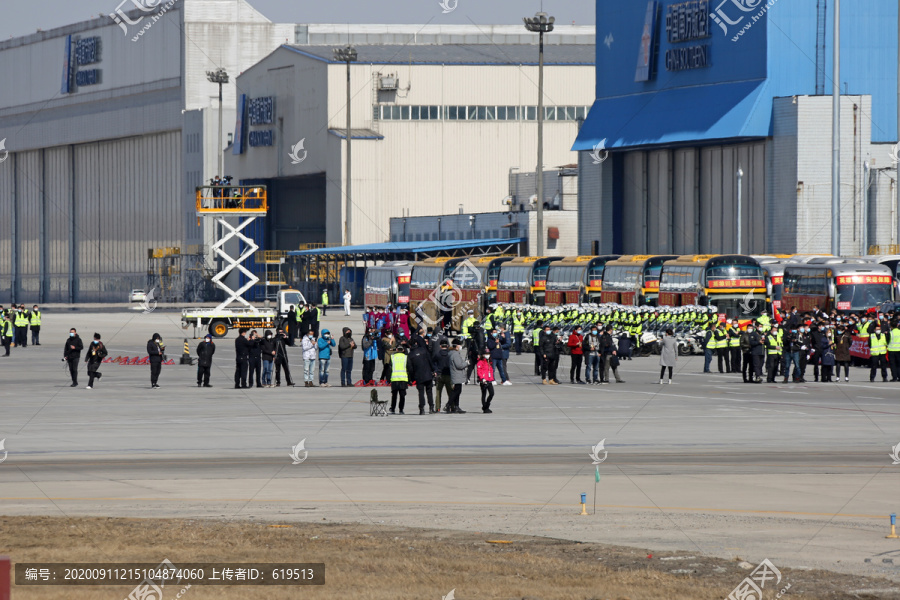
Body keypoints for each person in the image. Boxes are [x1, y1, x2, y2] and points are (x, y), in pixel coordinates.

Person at [408, 339, 436, 414]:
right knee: (429, 391)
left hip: (418, 376)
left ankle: (422, 408)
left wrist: (412, 378)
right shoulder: (423, 350)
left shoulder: (410, 355)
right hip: (427, 374)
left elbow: (410, 368)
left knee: (421, 392)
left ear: (410, 346)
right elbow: (430, 361)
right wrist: (433, 370)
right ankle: (431, 407)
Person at [447, 338, 468, 414]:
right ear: (457, 346)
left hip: (456, 374)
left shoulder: (452, 353)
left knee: (457, 391)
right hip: (457, 374)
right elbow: (459, 365)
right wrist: (466, 363)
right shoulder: (455, 354)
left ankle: (456, 406)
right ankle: (449, 404)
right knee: (457, 391)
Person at [389, 346, 410, 414]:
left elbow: (389, 368)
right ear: (403, 350)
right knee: (402, 395)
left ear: (397, 350)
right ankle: (401, 409)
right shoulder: (405, 357)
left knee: (394, 395)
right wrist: (409, 379)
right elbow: (409, 368)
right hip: (403, 378)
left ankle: (393, 408)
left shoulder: (392, 357)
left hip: (394, 378)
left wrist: (389, 378)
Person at [434, 340, 453, 412]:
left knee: (438, 393)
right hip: (448, 375)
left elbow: (434, 363)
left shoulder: (437, 354)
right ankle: (452, 406)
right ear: (447, 346)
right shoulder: (450, 354)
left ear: (440, 346)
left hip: (439, 375)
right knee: (450, 392)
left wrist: (435, 371)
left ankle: (437, 407)